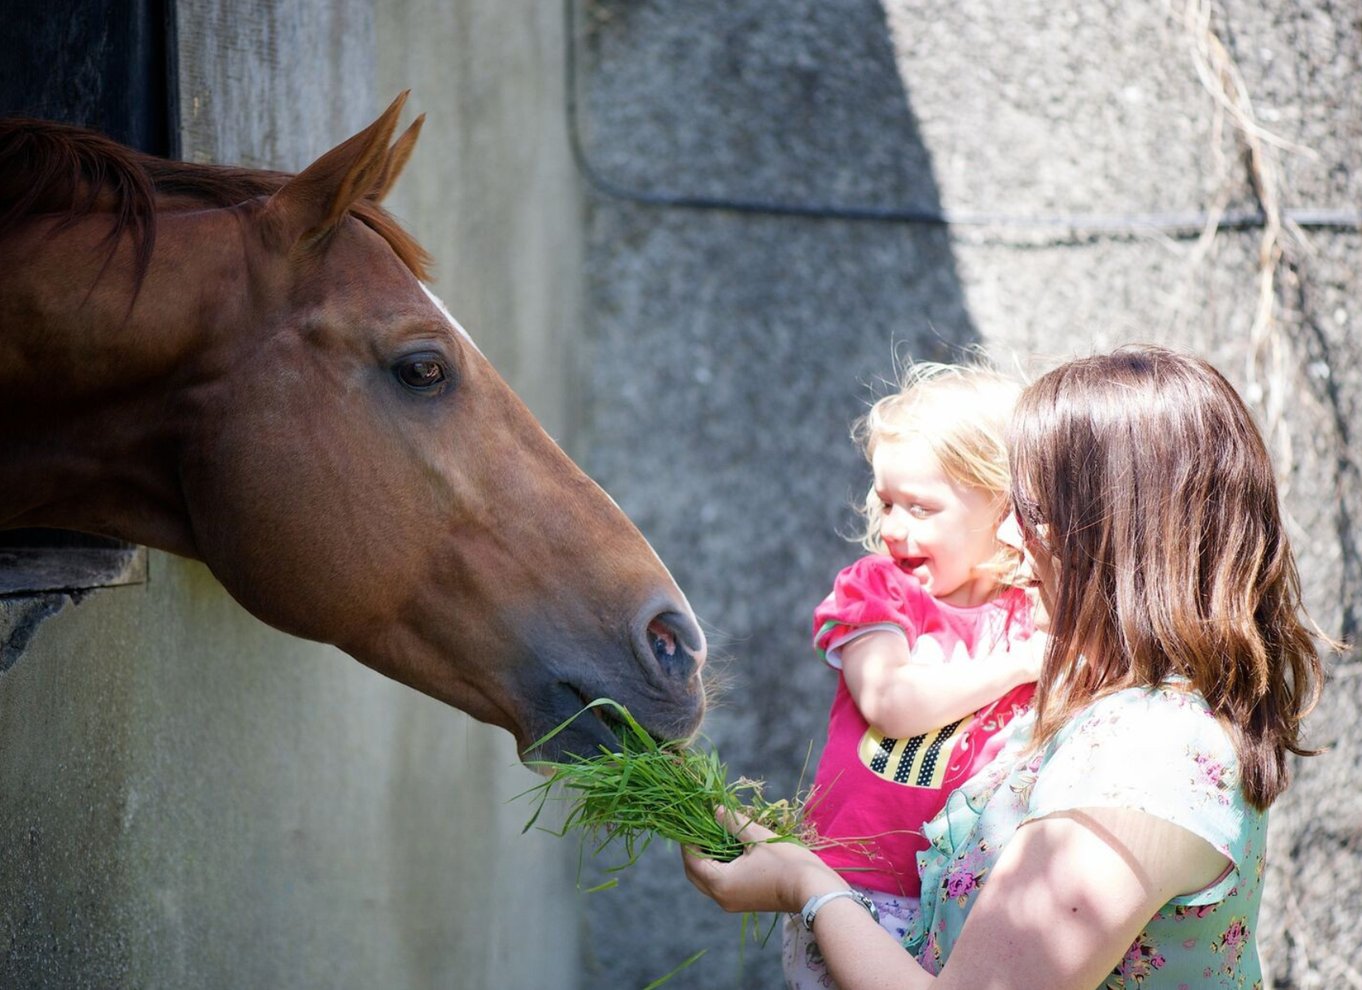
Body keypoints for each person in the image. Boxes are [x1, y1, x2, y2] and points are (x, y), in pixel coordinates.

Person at [686, 346, 1328, 990]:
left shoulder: (1146, 760)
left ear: (1119, 537)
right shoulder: (1118, 713)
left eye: (1035, 515)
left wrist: (808, 885)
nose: (1010, 538)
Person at [788, 363, 1045, 988]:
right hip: (854, 891)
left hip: (968, 907)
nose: (893, 528)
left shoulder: (1033, 611)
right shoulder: (878, 589)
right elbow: (888, 700)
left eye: (921, 508)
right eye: (887, 503)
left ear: (1004, 506)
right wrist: (1017, 666)